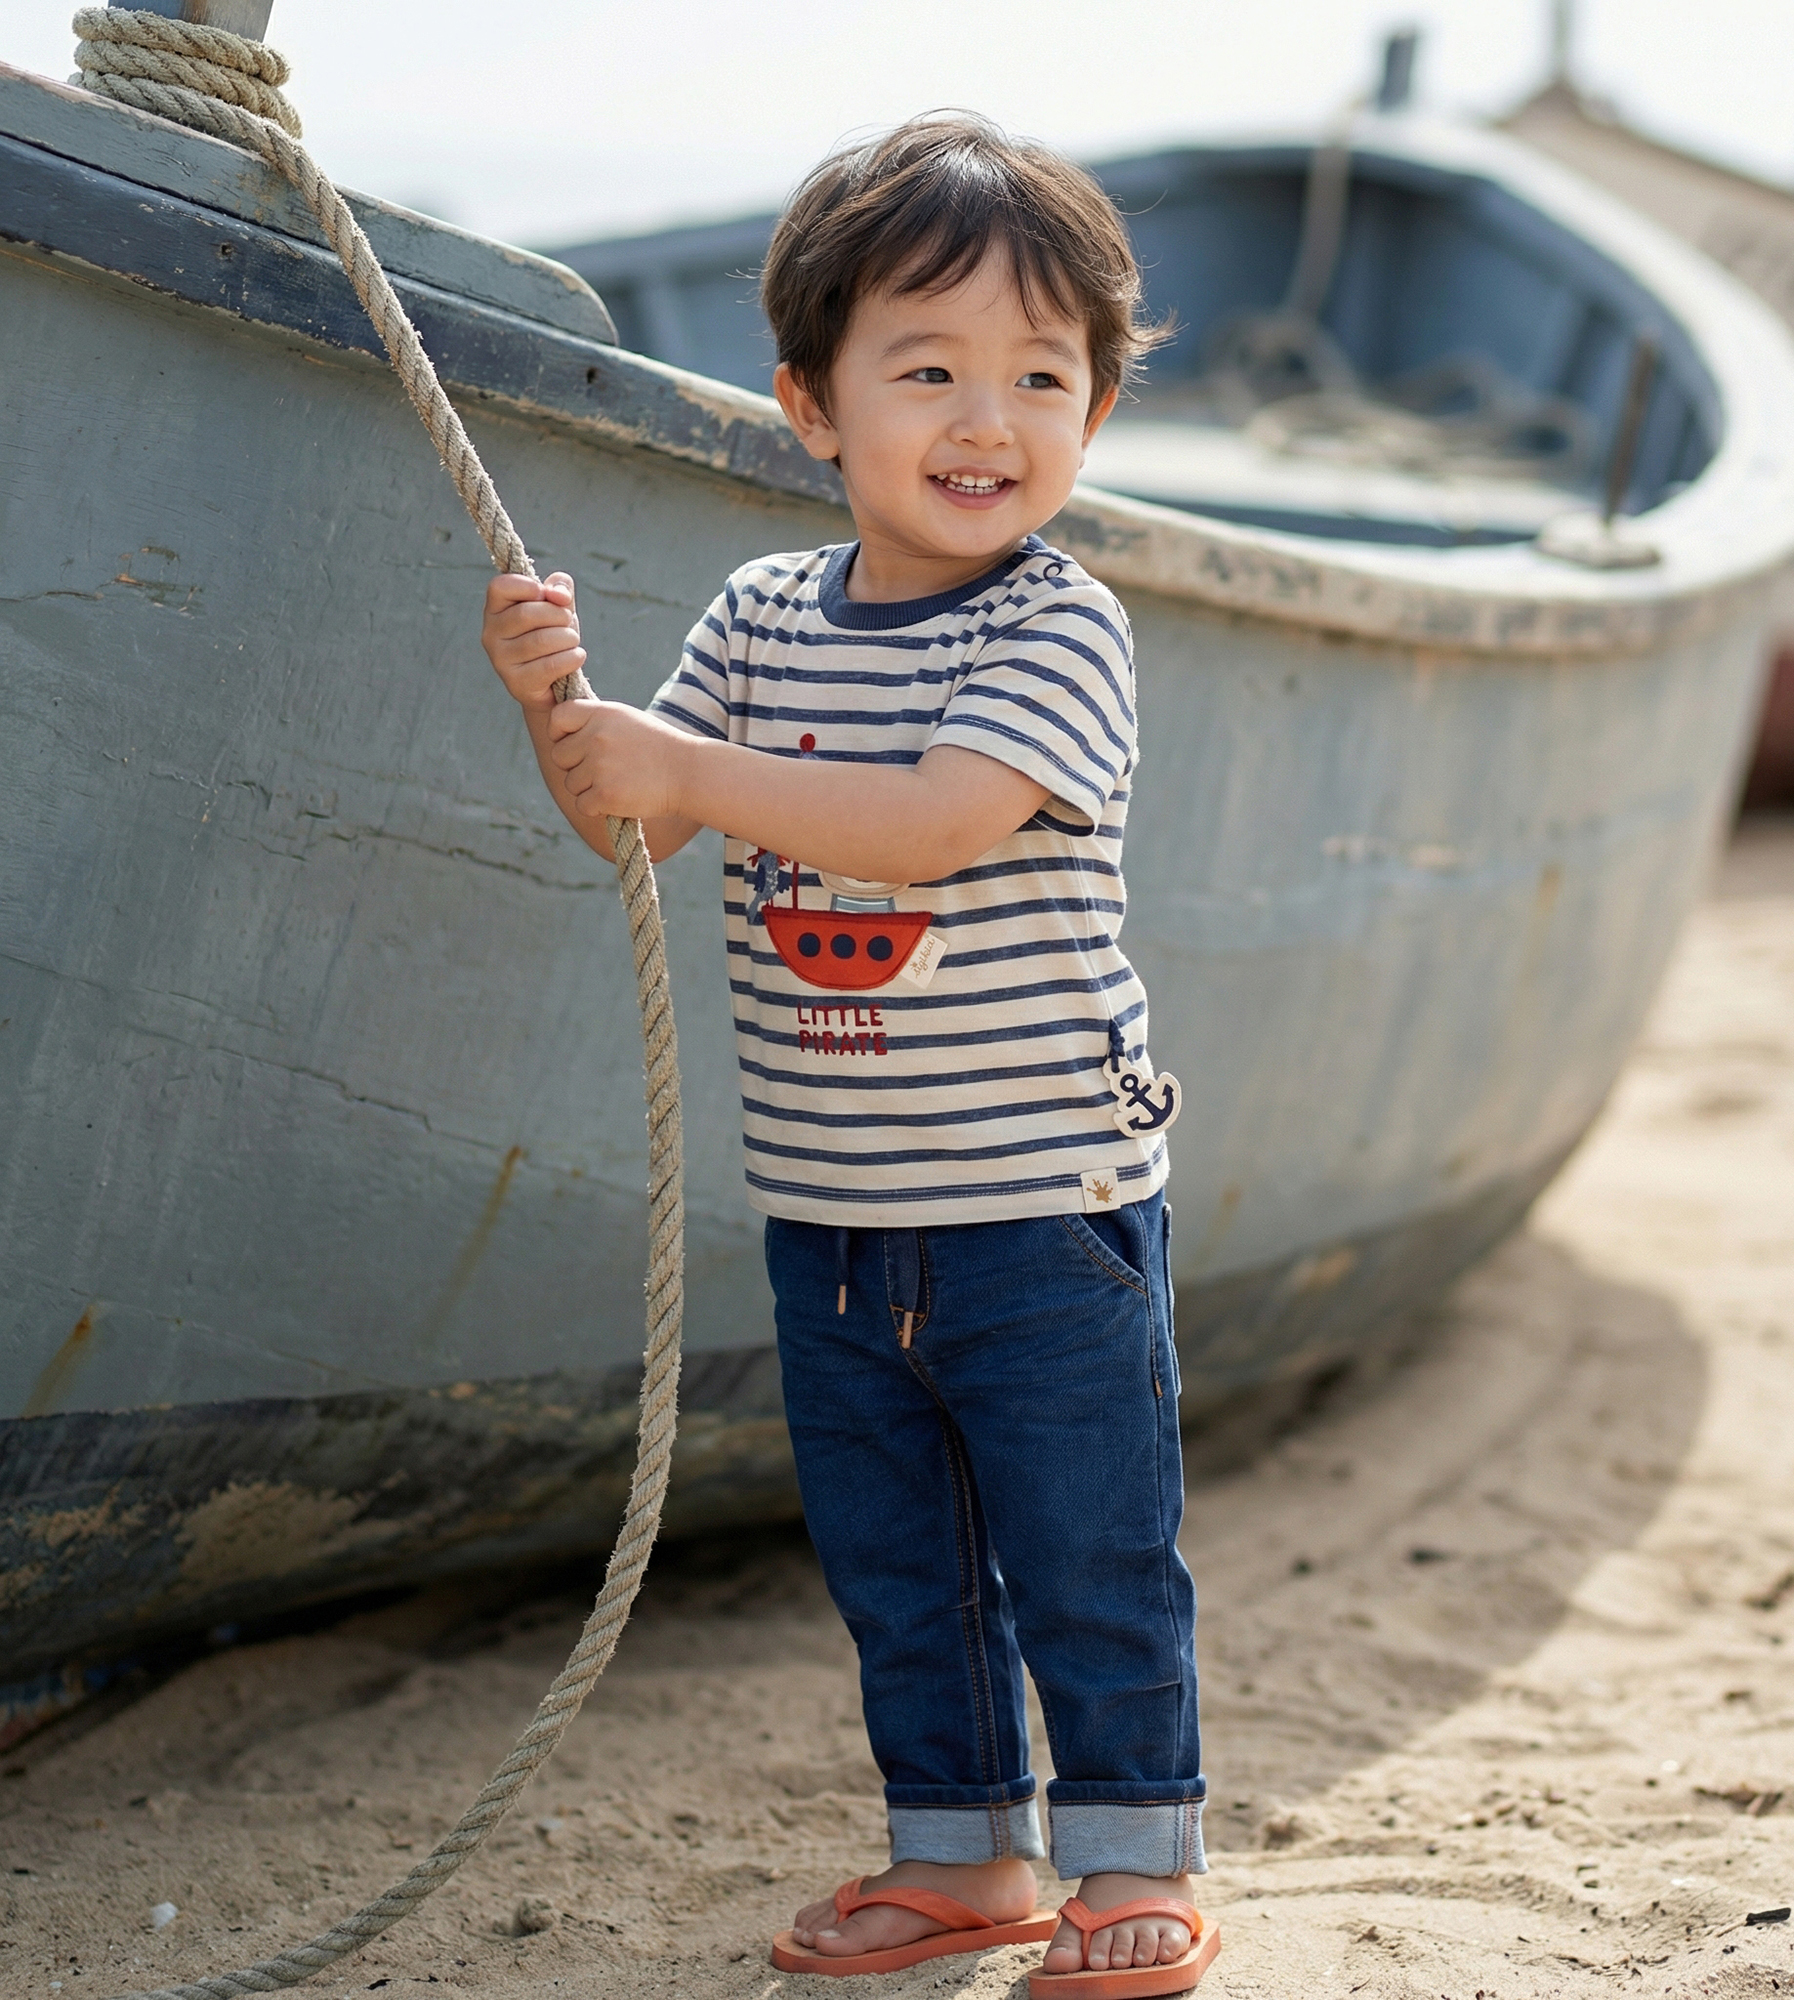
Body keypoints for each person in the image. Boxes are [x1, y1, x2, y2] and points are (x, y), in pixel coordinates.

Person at [481, 112, 1216, 1998]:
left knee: (1090, 1552)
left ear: (1097, 418)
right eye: (930, 370)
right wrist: (563, 709)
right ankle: (962, 1856)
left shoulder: (1067, 625)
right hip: (833, 1219)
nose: (988, 418)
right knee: (902, 1571)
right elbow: (634, 828)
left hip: (1038, 1210)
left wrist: (687, 769)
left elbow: (933, 821)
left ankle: (1138, 1849)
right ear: (813, 407)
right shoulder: (756, 620)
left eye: (1041, 378)